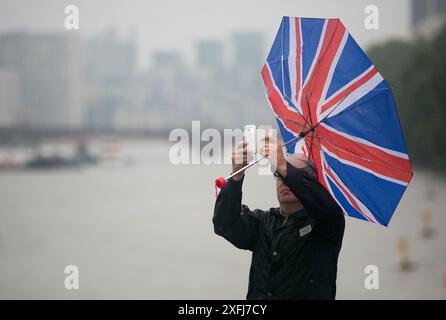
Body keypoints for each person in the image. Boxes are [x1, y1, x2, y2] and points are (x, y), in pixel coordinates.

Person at [212, 136, 345, 300]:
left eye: (290, 175)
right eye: (278, 175)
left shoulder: (326, 223)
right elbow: (224, 225)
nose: (284, 181)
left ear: (311, 183)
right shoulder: (264, 223)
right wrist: (236, 177)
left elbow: (325, 206)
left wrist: (283, 167)